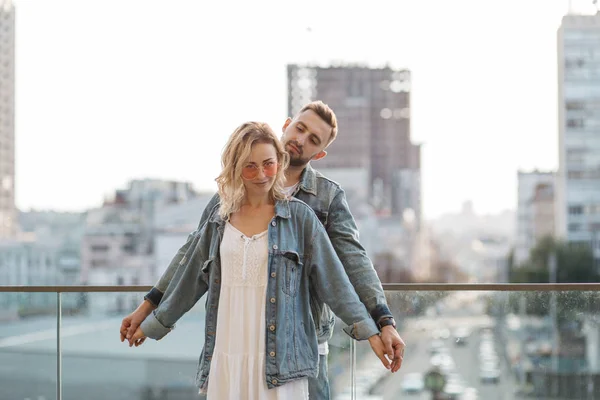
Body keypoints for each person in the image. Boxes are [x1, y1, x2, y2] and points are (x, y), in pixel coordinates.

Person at [121, 101, 406, 398]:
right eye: (300, 128)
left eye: (313, 140)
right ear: (287, 125)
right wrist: (148, 308)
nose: (301, 140)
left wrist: (382, 323)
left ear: (319, 153)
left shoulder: (321, 201)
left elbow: (350, 266)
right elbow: (191, 262)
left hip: (302, 347)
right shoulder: (224, 207)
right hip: (231, 347)